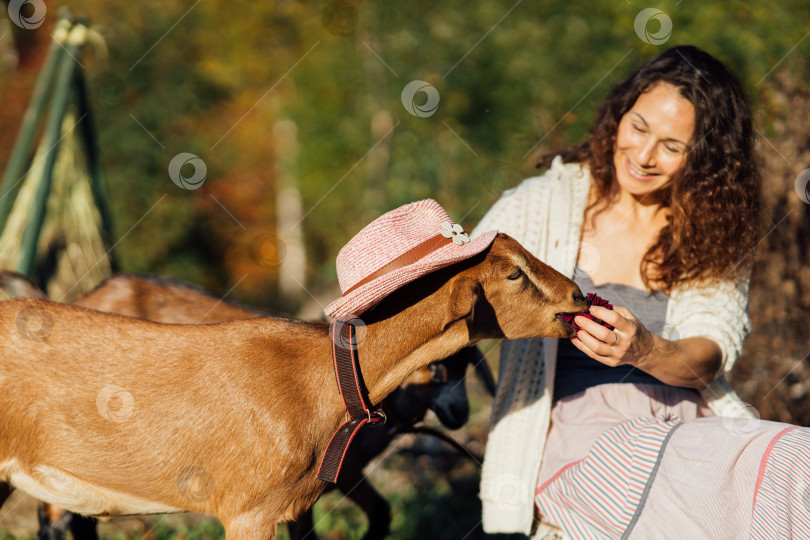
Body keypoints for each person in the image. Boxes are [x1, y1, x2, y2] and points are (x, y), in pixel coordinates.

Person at [474, 45, 808, 538]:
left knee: (796, 459)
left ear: (706, 157)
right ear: (618, 115)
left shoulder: (716, 227)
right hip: (579, 437)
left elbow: (710, 355)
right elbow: (457, 288)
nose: (645, 156)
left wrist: (643, 348)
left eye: (673, 147)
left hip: (689, 425)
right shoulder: (539, 204)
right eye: (638, 127)